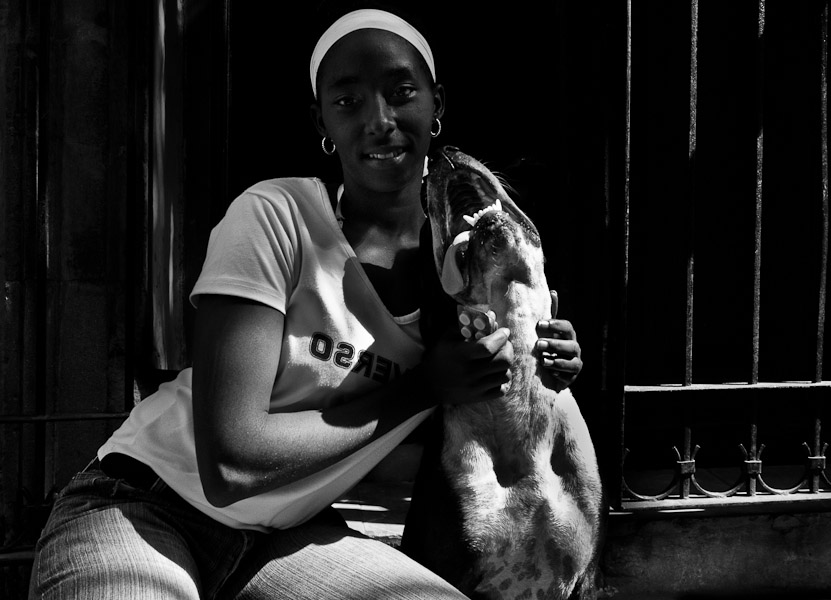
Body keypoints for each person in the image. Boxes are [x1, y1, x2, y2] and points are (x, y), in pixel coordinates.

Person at [29, 4, 583, 599]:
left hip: (285, 538)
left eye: (401, 93)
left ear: (436, 103)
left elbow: (470, 425)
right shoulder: (275, 217)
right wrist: (426, 388)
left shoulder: (459, 265)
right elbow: (232, 464)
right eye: (348, 101)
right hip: (147, 506)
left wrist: (540, 370)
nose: (379, 121)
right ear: (321, 119)